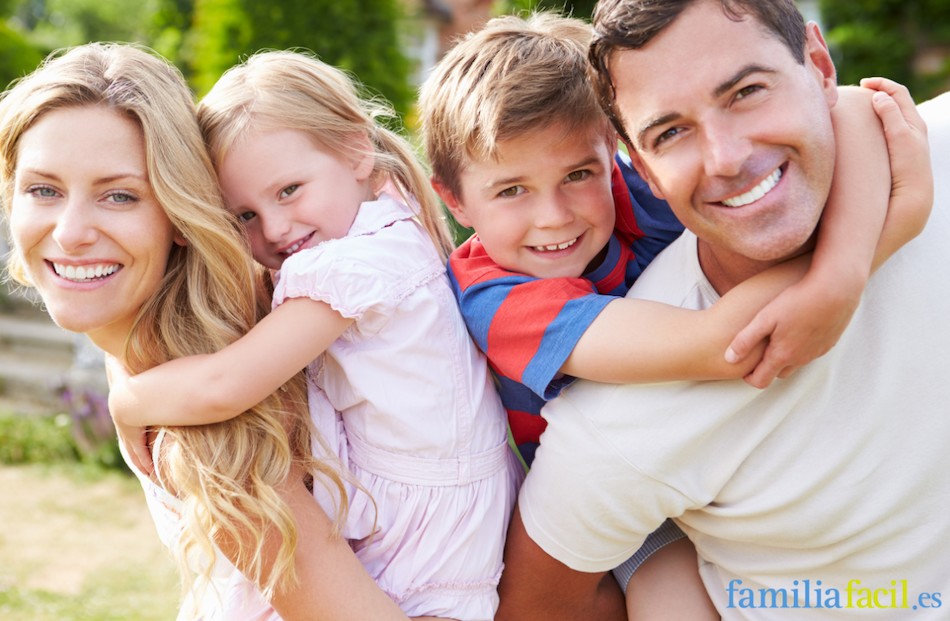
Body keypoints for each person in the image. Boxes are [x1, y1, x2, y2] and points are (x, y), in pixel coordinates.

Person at [417, 11, 929, 620]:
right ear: (454, 199)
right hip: (602, 505)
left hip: (704, 480)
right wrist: (867, 248)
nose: (555, 215)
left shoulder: (634, 188)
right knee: (666, 599)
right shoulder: (497, 299)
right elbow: (721, 343)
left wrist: (846, 259)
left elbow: (852, 105)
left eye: (578, 174)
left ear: (614, 155)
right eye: (511, 190)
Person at [0, 43, 421, 620]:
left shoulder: (205, 429)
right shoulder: (147, 352)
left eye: (119, 195)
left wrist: (128, 403)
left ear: (180, 215)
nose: (71, 233)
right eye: (43, 189)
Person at [105, 49, 524, 621]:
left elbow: (226, 385)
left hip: (417, 553)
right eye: (244, 216)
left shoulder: (354, 266)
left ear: (355, 151)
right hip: (434, 541)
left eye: (289, 190)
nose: (275, 228)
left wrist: (127, 401)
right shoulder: (391, 226)